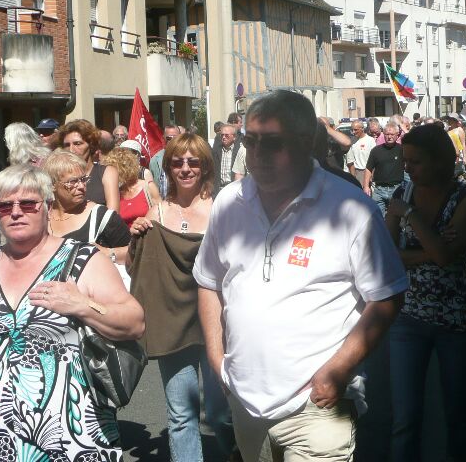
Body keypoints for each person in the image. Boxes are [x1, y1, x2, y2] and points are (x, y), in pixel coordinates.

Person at [194, 90, 408, 462]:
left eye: (272, 143)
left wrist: (338, 370)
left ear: (306, 141)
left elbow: (387, 295)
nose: (257, 154)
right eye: (250, 141)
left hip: (317, 405)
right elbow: (208, 281)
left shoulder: (349, 208)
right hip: (246, 400)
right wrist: (217, 360)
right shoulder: (229, 202)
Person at [0, 164, 145, 462]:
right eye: (5, 205)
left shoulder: (82, 259)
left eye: (27, 203)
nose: (16, 212)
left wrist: (82, 306)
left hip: (72, 439)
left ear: (47, 207)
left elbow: (135, 322)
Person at [128, 133, 235, 462]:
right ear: (168, 167)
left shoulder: (223, 209)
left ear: (205, 166)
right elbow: (137, 269)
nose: (185, 168)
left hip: (218, 324)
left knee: (220, 413)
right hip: (173, 326)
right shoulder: (156, 212)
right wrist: (136, 240)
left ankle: (236, 451)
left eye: (193, 161)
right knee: (180, 416)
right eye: (177, 161)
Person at [385, 123, 466, 462]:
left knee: (457, 417)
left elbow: (444, 258)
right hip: (407, 319)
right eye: (405, 160)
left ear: (440, 161)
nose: (407, 168)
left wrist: (409, 216)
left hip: (455, 321)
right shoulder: (402, 192)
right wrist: (435, 250)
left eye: (415, 162)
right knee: (405, 419)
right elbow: (387, 254)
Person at [44, 151, 132, 280]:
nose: (81, 186)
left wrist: (108, 253)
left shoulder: (102, 217)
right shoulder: (41, 216)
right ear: (53, 185)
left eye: (83, 179)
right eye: (73, 182)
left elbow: (135, 251)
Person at [57, 119, 120, 211]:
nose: (71, 150)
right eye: (67, 145)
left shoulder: (106, 172)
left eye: (77, 144)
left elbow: (113, 213)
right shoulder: (59, 175)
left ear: (91, 145)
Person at [102, 147, 161, 228]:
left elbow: (161, 215)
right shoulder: (115, 194)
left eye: (113, 169)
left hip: (148, 238)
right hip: (126, 239)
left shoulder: (148, 187)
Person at [363, 123, 405, 215]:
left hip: (396, 190)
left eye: (392, 134)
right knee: (379, 219)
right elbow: (368, 168)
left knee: (396, 221)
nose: (389, 137)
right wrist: (366, 186)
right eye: (387, 134)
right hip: (379, 190)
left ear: (397, 135)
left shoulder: (402, 150)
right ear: (383, 134)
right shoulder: (376, 150)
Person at [150, 124, 181, 199]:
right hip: (163, 205)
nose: (172, 140)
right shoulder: (155, 160)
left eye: (175, 138)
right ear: (164, 138)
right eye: (169, 138)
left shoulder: (187, 157)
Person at [211, 124, 243, 196]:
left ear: (234, 137)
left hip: (233, 190)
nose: (223, 137)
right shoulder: (215, 151)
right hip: (218, 189)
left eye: (226, 135)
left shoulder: (239, 151)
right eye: (222, 135)